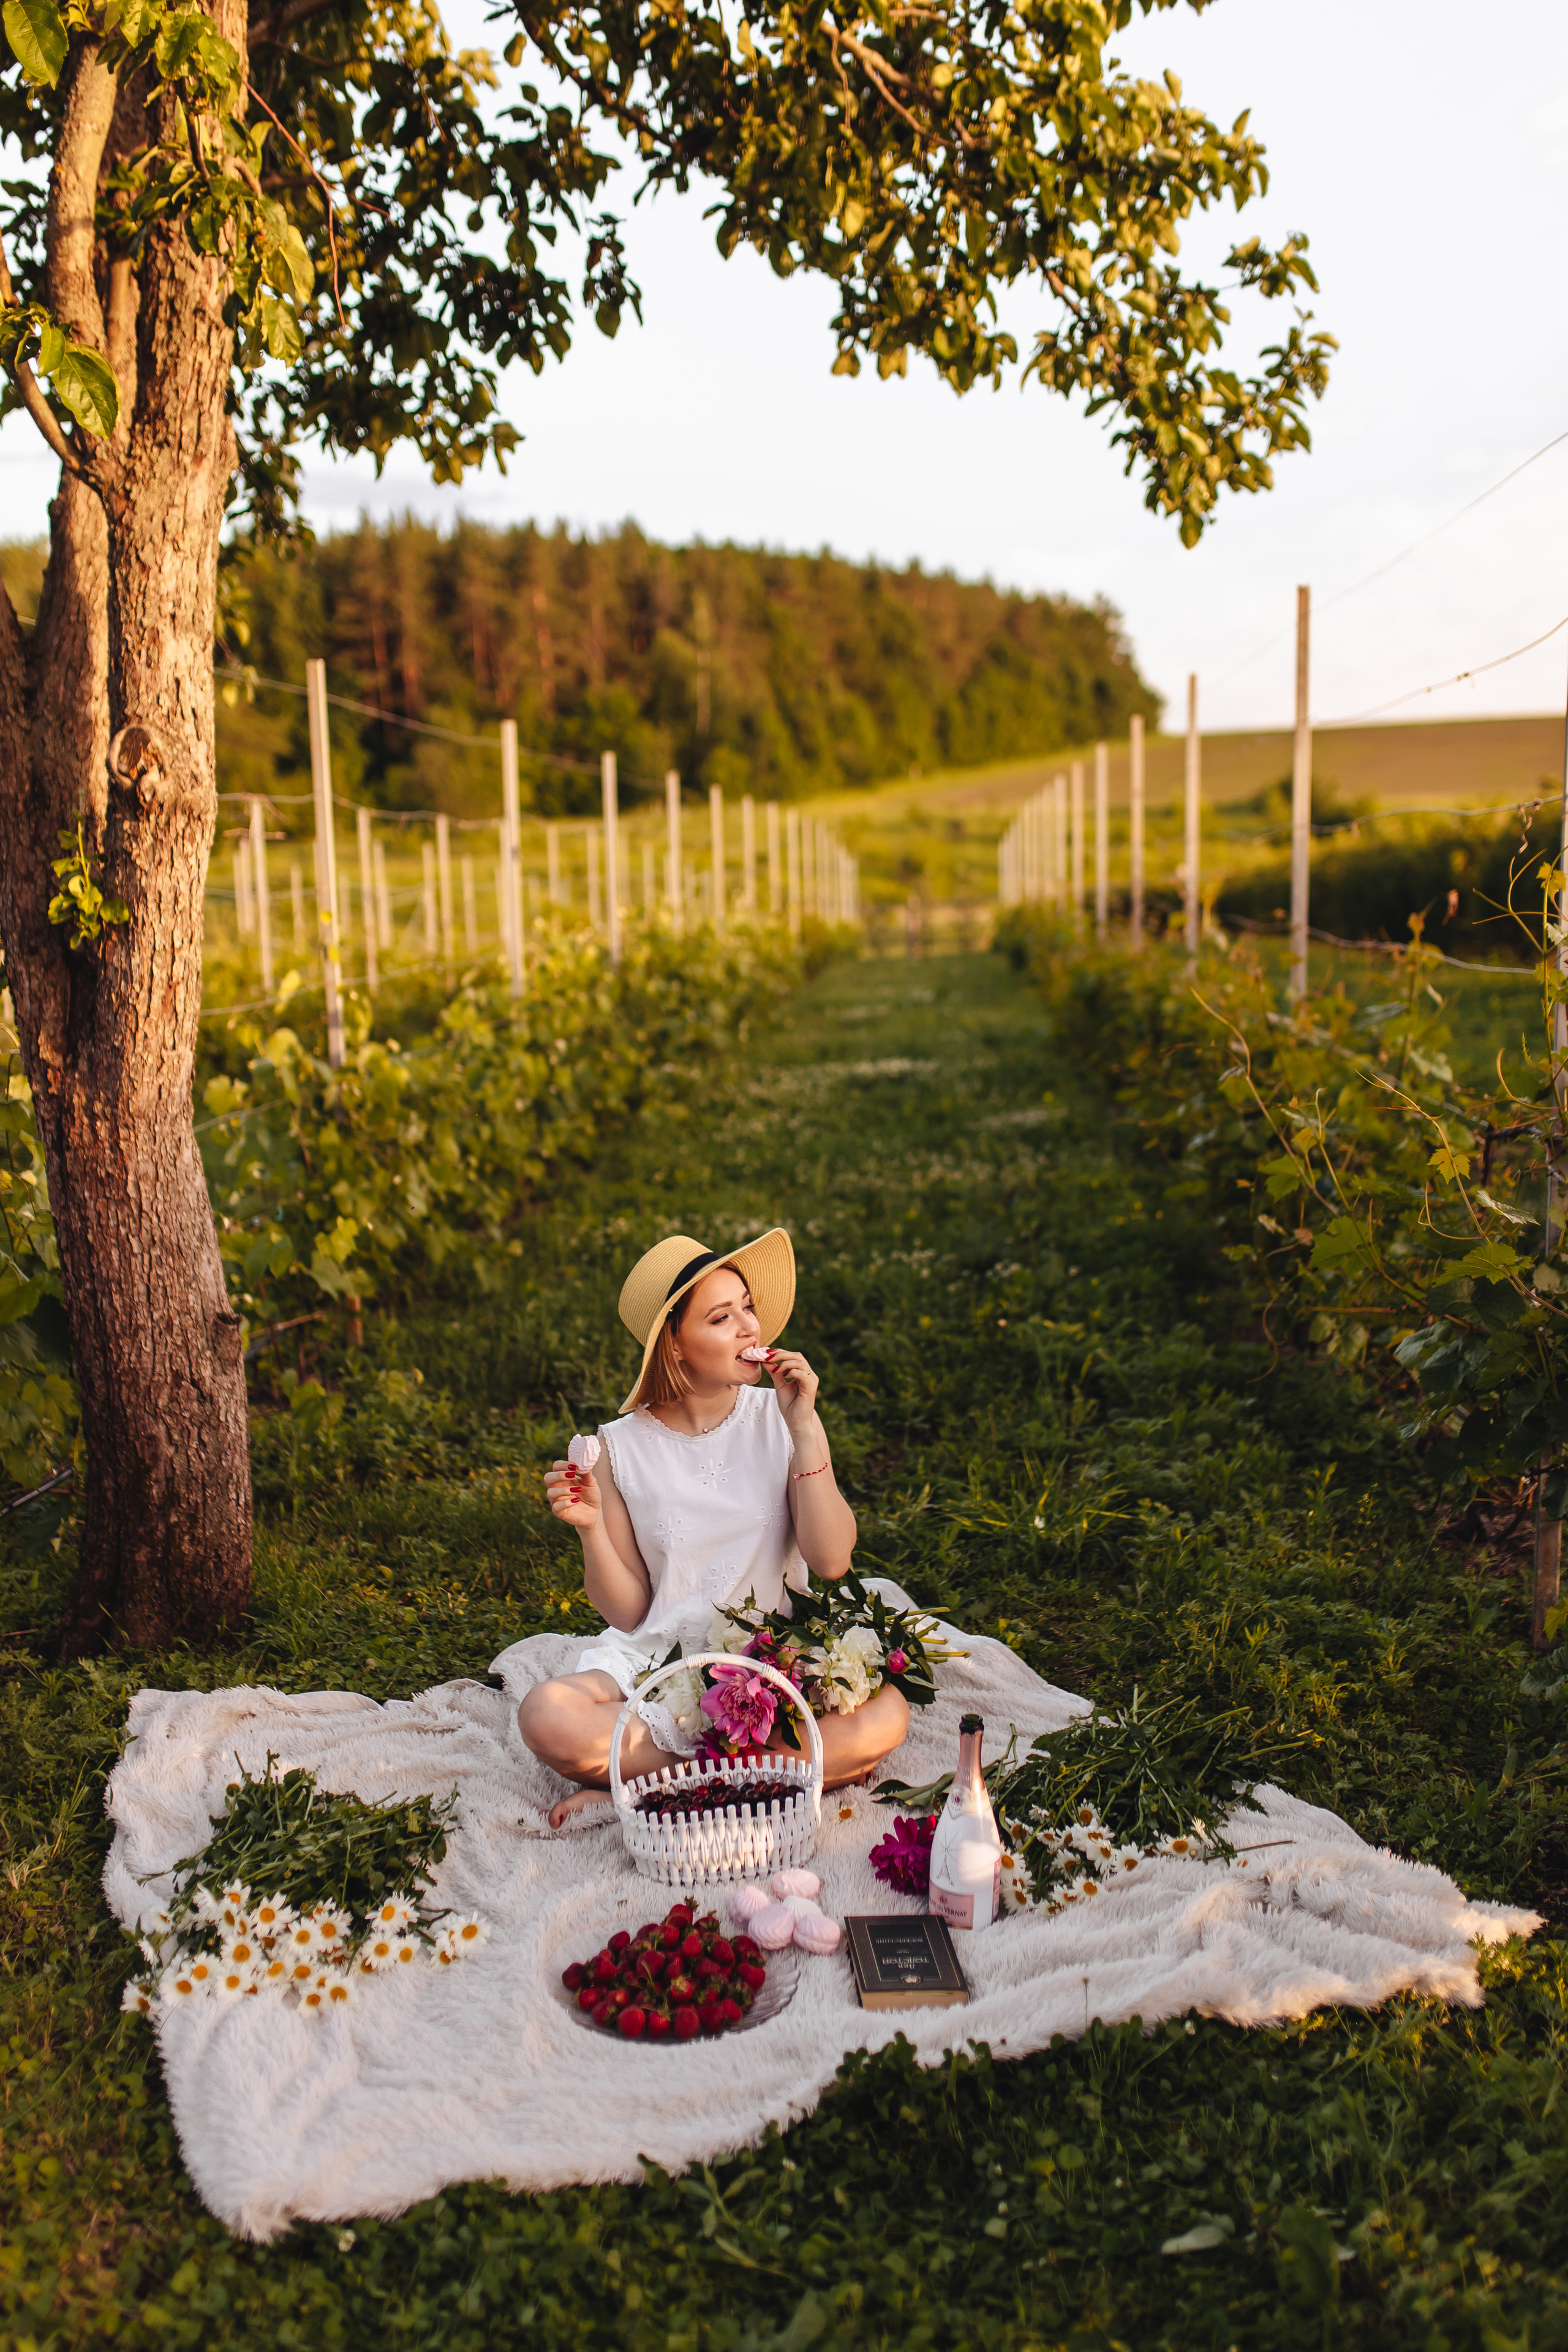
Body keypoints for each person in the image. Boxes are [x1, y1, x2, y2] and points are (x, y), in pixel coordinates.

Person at [521, 1226, 910, 1825]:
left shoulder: (781, 1416)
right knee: (546, 1715)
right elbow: (628, 1613)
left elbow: (831, 1561)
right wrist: (590, 1530)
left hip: (774, 1657)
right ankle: (765, 1776)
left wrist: (804, 1427)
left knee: (888, 1716)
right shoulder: (616, 1449)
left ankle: (660, 1790)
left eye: (748, 1308)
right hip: (663, 1661)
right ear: (673, 1344)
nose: (751, 1328)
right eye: (722, 1317)